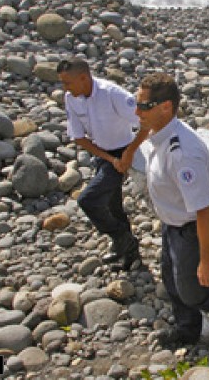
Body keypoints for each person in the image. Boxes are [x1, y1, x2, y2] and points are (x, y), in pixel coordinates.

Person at [135, 73, 209, 348]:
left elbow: (203, 211)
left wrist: (207, 259)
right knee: (172, 280)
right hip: (171, 223)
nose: (136, 111)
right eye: (137, 103)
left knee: (192, 292)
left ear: (165, 107)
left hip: (190, 228)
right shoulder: (160, 131)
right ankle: (188, 331)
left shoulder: (183, 153)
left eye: (143, 106)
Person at [57, 58, 146, 270]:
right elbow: (78, 137)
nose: (64, 88)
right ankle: (128, 250)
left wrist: (127, 155)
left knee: (88, 200)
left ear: (83, 78)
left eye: (67, 82)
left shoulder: (111, 93)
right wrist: (109, 160)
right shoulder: (72, 98)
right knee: (112, 205)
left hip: (125, 149)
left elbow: (145, 123)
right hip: (104, 154)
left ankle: (123, 239)